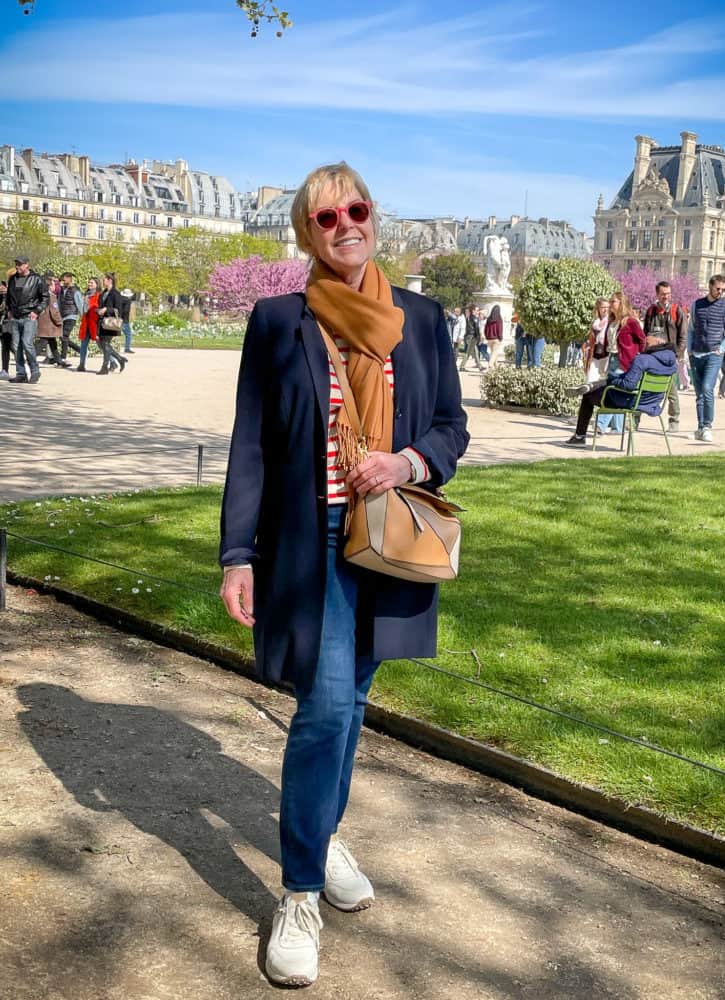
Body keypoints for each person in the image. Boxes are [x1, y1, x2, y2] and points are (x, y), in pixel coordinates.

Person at [219, 161, 469, 989]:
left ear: (374, 218)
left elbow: (450, 426)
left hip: (389, 534)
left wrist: (407, 459)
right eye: (325, 218)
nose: (344, 225)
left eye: (354, 210)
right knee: (325, 704)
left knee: (355, 698)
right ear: (306, 232)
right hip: (311, 541)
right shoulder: (278, 320)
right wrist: (236, 554)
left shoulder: (423, 320)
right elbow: (251, 445)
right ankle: (298, 891)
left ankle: (323, 836)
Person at [564, 327, 676, 445]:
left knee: (589, 395)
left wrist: (613, 379)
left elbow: (628, 385)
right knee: (608, 382)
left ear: (659, 342)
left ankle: (579, 437)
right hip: (653, 402)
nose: (645, 346)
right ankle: (593, 385)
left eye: (648, 343)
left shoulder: (642, 360)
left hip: (631, 401)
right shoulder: (673, 363)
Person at [687, 275, 725, 443]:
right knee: (699, 393)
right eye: (718, 289)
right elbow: (691, 329)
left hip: (714, 355)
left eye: (723, 289)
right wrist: (690, 351)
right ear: (710, 287)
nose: (720, 292)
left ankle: (707, 426)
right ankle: (700, 427)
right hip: (696, 354)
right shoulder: (696, 305)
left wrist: (721, 349)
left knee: (708, 388)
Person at [595, 291, 645, 435]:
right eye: (610, 301)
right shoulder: (612, 321)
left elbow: (642, 340)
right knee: (618, 392)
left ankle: (601, 424)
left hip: (625, 361)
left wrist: (638, 357)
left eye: (613, 302)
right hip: (612, 358)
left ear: (621, 303)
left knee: (612, 389)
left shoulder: (631, 322)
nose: (610, 304)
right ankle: (618, 427)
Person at [643, 281, 687, 433]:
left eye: (668, 294)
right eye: (663, 294)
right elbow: (645, 333)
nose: (666, 297)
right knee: (645, 386)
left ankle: (674, 419)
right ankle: (635, 419)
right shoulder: (650, 311)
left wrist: (678, 355)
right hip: (652, 356)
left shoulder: (676, 310)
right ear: (657, 295)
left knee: (671, 390)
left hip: (669, 357)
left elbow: (683, 335)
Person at [6, 256, 47, 384]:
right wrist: (9, 310)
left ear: (26, 265)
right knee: (16, 345)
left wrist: (37, 311)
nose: (17, 266)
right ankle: (21, 373)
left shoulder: (37, 279)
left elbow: (45, 298)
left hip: (29, 316)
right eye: (16, 264)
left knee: (27, 343)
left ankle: (35, 370)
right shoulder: (13, 279)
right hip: (16, 316)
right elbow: (9, 296)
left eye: (20, 264)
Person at [96, 273, 127, 375]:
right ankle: (120, 359)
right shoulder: (103, 293)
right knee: (102, 344)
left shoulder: (115, 294)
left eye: (104, 279)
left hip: (111, 322)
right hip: (102, 322)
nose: (102, 281)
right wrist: (99, 310)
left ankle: (104, 367)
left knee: (105, 344)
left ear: (110, 280)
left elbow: (119, 310)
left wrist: (106, 309)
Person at [37, 275, 67, 367]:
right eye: (54, 284)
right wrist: (59, 321)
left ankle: (59, 361)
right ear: (49, 286)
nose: (55, 286)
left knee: (52, 343)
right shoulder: (52, 296)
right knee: (42, 344)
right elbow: (54, 311)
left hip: (43, 323)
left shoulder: (40, 296)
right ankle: (30, 357)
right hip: (49, 324)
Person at [58, 273, 83, 363]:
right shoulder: (62, 290)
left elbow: (80, 304)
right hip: (62, 316)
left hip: (71, 316)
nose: (63, 282)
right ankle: (80, 350)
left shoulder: (75, 291)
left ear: (69, 279)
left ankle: (63, 357)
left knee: (64, 335)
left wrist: (83, 317)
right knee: (62, 337)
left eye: (64, 280)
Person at [77, 276, 100, 372]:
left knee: (101, 344)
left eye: (92, 283)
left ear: (97, 284)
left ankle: (112, 361)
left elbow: (97, 308)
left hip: (94, 323)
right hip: (86, 322)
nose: (89, 284)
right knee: (83, 344)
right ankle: (81, 364)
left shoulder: (99, 295)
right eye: (89, 282)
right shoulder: (86, 295)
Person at [459, 304, 483, 372]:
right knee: (469, 352)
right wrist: (478, 338)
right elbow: (476, 328)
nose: (478, 312)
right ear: (473, 310)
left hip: (468, 336)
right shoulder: (474, 318)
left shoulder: (468, 317)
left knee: (475, 352)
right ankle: (462, 366)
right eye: (477, 310)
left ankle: (480, 366)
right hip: (472, 337)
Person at [484, 303, 504, 368]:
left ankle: (496, 366)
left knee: (493, 352)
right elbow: (499, 329)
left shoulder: (489, 319)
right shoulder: (499, 319)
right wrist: (500, 337)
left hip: (489, 338)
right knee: (495, 353)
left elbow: (486, 328)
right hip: (496, 338)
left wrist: (486, 336)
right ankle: (490, 364)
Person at [120, 288, 135, 353]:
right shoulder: (128, 301)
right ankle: (127, 348)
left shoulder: (120, 300)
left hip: (118, 319)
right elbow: (126, 311)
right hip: (124, 320)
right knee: (128, 334)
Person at [0, 280, 10, 379]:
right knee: (5, 347)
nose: (1, 288)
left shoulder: (10, 297)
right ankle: (4, 369)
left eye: (3, 286)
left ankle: (24, 369)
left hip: (8, 324)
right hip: (2, 324)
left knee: (9, 346)